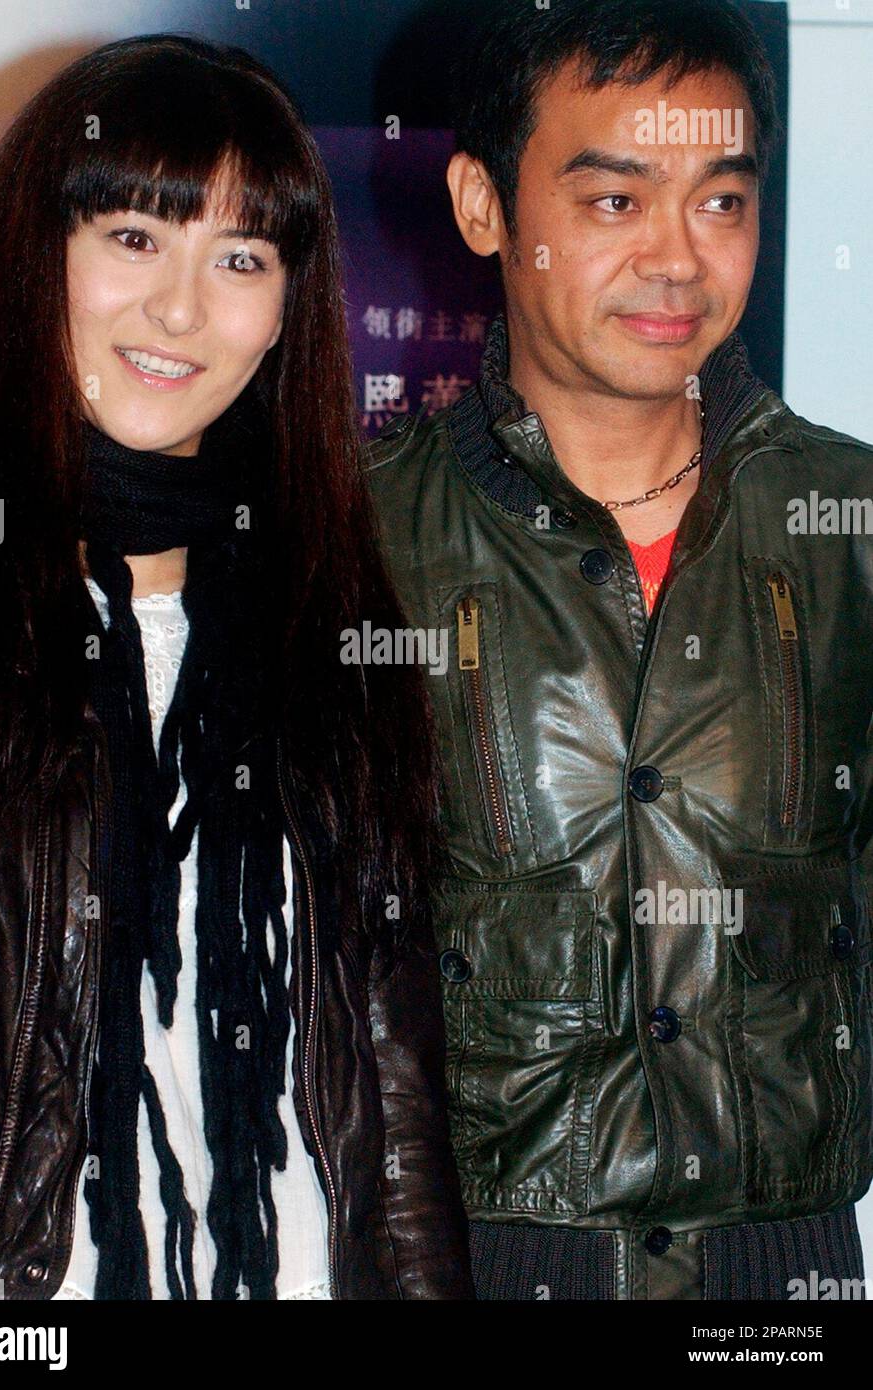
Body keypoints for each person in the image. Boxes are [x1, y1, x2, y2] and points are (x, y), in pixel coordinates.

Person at [0, 34, 473, 1301]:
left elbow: (395, 1077)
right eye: (132, 239)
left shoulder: (324, 616)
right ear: (33, 251)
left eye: (240, 258)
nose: (180, 309)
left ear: (288, 304)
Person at [367, 0, 873, 1301]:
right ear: (484, 205)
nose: (677, 261)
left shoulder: (847, 530)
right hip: (472, 1261)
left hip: (780, 1276)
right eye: (612, 203)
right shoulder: (352, 537)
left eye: (720, 201)